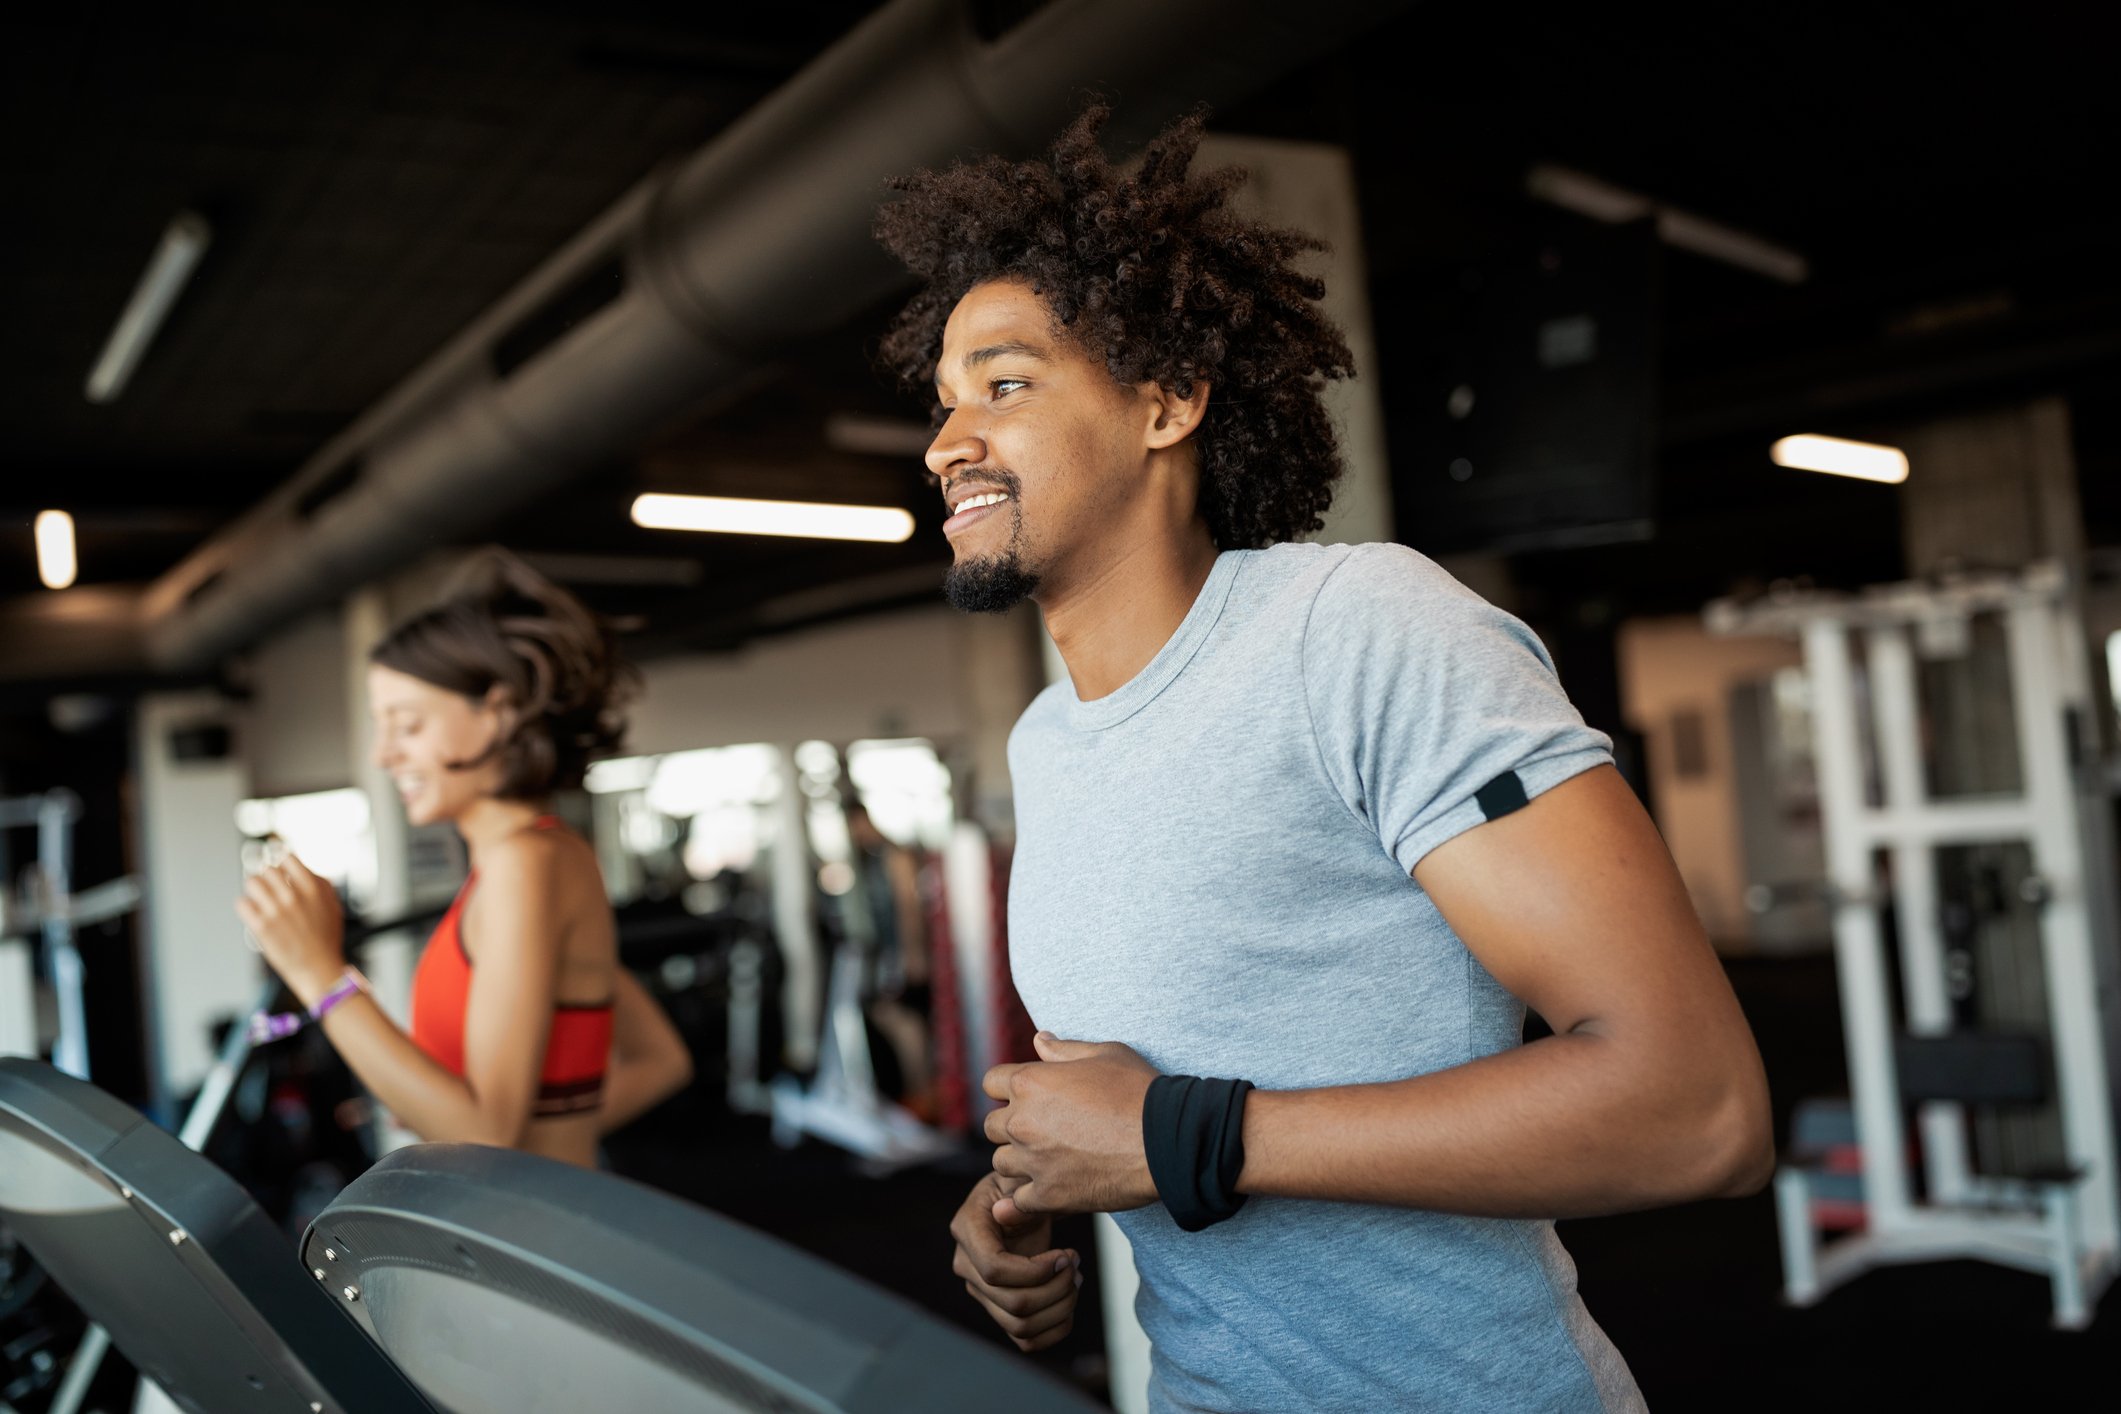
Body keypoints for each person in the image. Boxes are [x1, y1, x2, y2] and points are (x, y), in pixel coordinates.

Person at [875, 107, 1773, 1410]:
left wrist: (1181, 1139)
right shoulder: (1049, 739)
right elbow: (1131, 1098)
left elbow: (1695, 1107)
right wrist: (1031, 1185)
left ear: (1167, 401)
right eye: (944, 398)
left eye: (1003, 384)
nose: (945, 440)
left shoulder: (1353, 630)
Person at [235, 551, 693, 1169]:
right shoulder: (546, 856)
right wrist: (472, 1117)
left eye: (408, 725)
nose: (383, 753)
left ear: (496, 713)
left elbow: (487, 1134)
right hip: (532, 1210)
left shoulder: (524, 865)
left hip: (521, 1236)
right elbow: (660, 1060)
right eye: (381, 726)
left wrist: (321, 976)